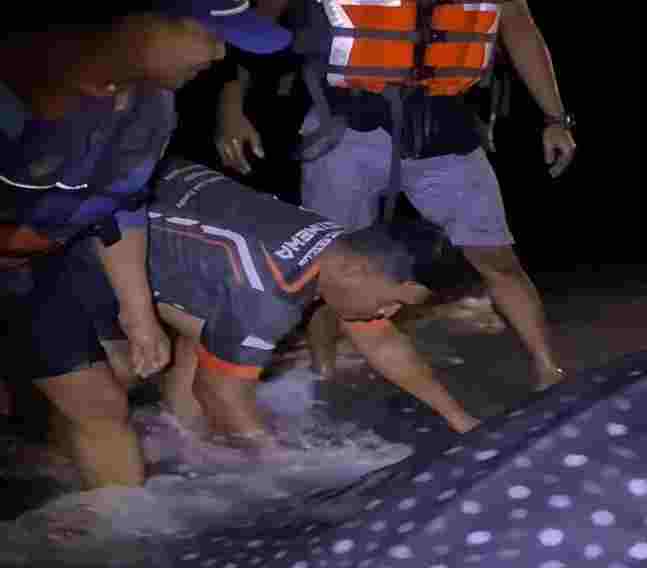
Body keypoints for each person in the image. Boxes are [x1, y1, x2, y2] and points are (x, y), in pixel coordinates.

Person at [0, 2, 292, 489]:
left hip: (40, 261)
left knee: (104, 400)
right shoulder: (17, 84)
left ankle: (120, 540)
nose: (220, 54)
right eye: (210, 35)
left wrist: (140, 317)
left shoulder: (153, 107)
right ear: (141, 20)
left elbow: (119, 208)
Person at [215, 0, 577, 393]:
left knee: (497, 259)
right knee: (328, 266)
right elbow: (253, 24)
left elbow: (520, 28)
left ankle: (549, 372)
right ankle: (323, 377)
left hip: (445, 124)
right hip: (345, 123)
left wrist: (555, 118)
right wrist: (230, 105)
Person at [142, 158, 480, 446]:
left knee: (215, 333)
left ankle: (180, 431)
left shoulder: (336, 248)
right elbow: (220, 392)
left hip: (163, 181)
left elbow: (382, 342)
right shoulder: (267, 300)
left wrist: (460, 419)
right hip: (106, 230)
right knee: (114, 384)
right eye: (391, 303)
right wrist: (276, 465)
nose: (389, 314)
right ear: (355, 269)